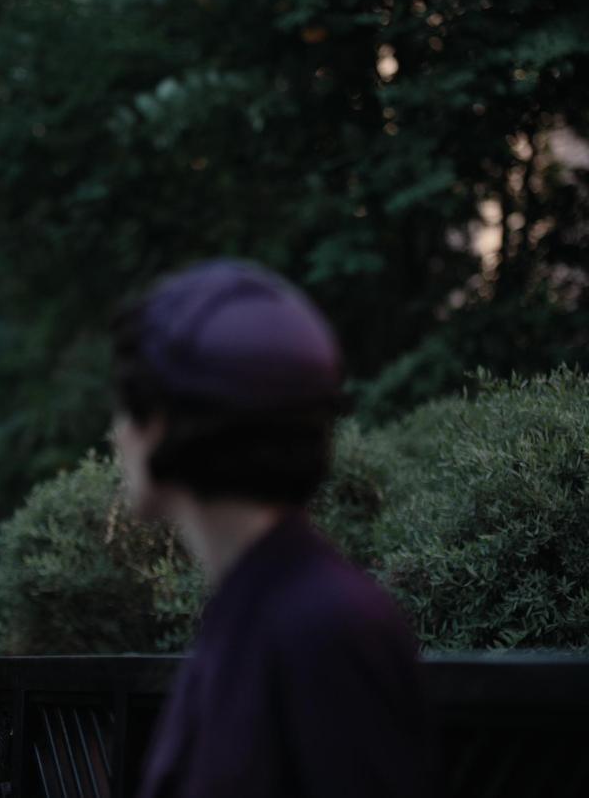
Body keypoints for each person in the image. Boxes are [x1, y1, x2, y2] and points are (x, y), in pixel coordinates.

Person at [112, 261, 432, 798]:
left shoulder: (328, 627)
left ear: (161, 425)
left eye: (126, 411)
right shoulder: (258, 606)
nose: (117, 434)